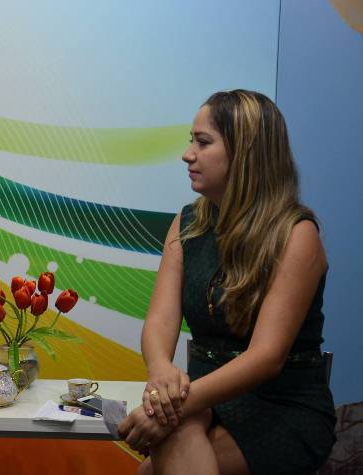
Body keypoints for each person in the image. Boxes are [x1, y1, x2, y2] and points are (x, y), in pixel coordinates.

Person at [118, 90, 336, 474]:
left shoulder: (296, 234)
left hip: (281, 406)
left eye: (203, 142)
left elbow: (266, 358)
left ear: (246, 152)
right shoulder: (187, 222)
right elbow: (160, 320)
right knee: (166, 448)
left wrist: (171, 407)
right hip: (203, 398)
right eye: (191, 141)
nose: (187, 154)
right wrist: (161, 372)